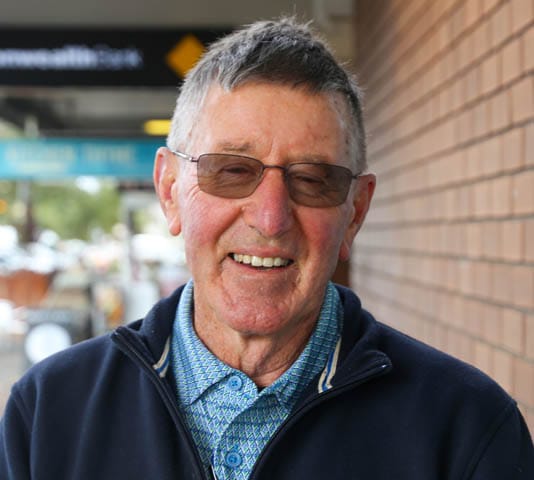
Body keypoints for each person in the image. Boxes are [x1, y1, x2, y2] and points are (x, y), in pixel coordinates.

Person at [1, 17, 533, 480]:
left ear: (356, 211)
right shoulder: (47, 414)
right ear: (169, 192)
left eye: (313, 180)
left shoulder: (468, 430)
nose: (271, 218)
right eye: (232, 171)